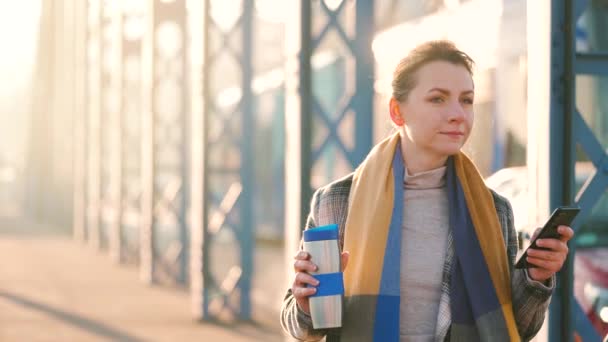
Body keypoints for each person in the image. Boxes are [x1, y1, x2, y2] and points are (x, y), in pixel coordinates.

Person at [280, 40, 574, 342]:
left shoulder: (494, 209)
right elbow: (302, 328)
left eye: (467, 100)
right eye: (438, 99)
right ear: (397, 111)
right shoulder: (338, 201)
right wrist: (306, 304)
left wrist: (535, 278)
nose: (458, 114)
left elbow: (514, 329)